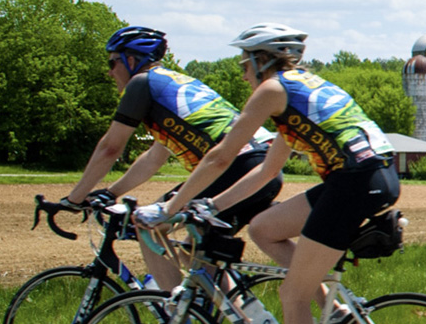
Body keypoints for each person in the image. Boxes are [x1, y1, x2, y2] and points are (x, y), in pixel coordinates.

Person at [140, 23, 399, 324]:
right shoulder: (299, 91)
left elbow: (222, 154)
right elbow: (266, 170)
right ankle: (333, 311)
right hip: (366, 177)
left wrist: (169, 210)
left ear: (263, 59)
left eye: (245, 62)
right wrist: (210, 206)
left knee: (291, 296)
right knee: (263, 227)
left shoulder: (271, 91)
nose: (242, 72)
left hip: (354, 183)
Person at [62, 26, 282, 292]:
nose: (109, 71)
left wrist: (73, 199)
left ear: (131, 60)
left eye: (112, 62)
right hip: (261, 167)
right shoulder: (173, 84)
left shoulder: (141, 84)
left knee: (148, 226)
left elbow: (110, 147)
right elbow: (155, 157)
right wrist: (111, 192)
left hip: (234, 170)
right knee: (197, 258)